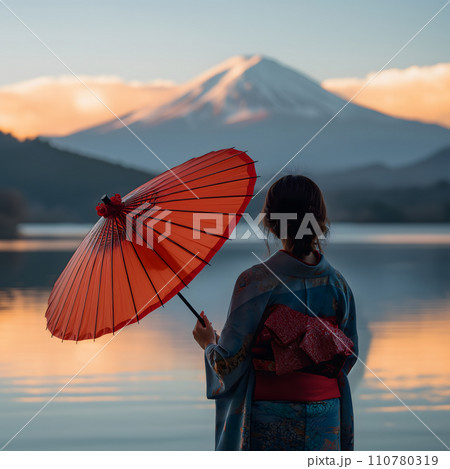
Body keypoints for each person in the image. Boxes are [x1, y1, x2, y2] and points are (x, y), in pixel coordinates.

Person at [193, 175, 358, 451]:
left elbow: (227, 363)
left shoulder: (255, 282)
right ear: (320, 221)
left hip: (271, 416)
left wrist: (208, 343)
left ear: (269, 222)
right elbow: (348, 357)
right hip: (327, 413)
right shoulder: (337, 284)